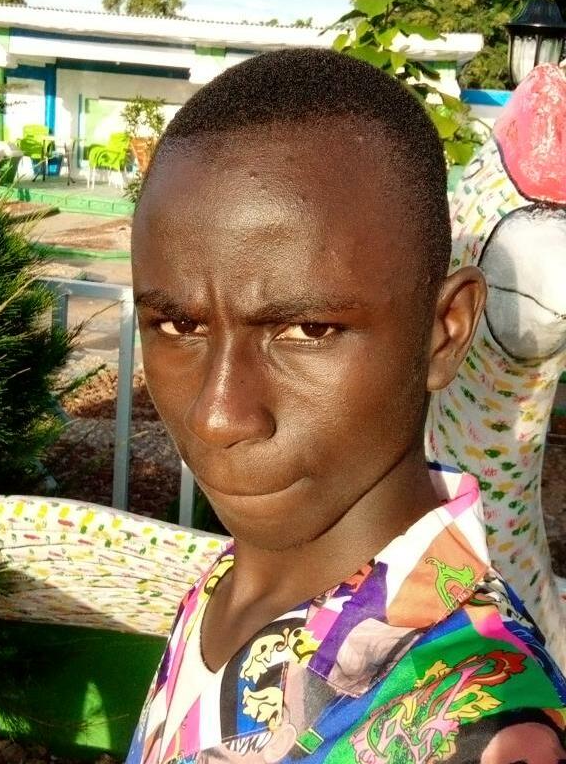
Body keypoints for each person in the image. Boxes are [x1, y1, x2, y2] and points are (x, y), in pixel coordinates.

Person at [126, 48, 566, 764]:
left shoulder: (479, 730)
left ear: (444, 331)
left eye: (308, 330)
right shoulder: (235, 582)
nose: (217, 415)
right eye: (179, 325)